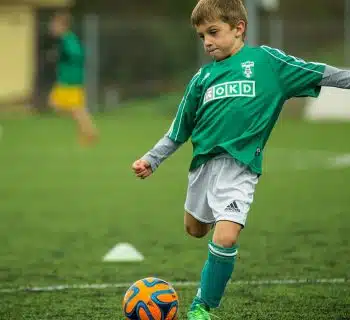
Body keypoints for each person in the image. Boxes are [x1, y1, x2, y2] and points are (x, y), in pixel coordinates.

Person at [132, 0, 350, 318]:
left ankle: (202, 306)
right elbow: (179, 129)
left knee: (227, 234)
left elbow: (322, 73)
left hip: (241, 169)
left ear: (238, 28)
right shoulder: (202, 78)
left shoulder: (267, 62)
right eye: (202, 35)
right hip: (203, 169)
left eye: (213, 32)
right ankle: (208, 226)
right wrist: (152, 159)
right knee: (194, 229)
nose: (207, 41)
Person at [48, 10, 98, 145]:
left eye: (54, 24)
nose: (51, 27)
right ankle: (87, 131)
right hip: (67, 79)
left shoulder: (67, 39)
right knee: (63, 106)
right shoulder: (67, 39)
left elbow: (76, 54)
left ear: (62, 25)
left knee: (71, 108)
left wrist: (62, 57)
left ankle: (89, 132)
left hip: (69, 81)